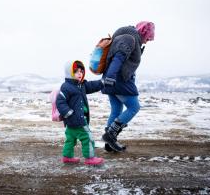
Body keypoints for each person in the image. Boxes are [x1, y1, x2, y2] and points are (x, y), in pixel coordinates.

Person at [101, 21, 155, 152]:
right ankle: (110, 135)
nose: (147, 41)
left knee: (116, 109)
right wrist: (111, 76)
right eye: (148, 38)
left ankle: (109, 144)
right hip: (118, 80)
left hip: (111, 79)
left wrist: (109, 77)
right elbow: (118, 58)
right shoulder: (130, 39)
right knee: (134, 107)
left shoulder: (129, 37)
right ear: (143, 32)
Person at [56, 60, 105, 165]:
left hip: (71, 122)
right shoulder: (66, 87)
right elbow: (60, 101)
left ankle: (67, 157)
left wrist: (102, 83)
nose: (80, 74)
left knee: (71, 140)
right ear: (70, 73)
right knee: (88, 138)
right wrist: (68, 112)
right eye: (76, 71)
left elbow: (92, 85)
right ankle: (90, 158)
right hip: (78, 119)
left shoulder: (81, 85)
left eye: (81, 71)